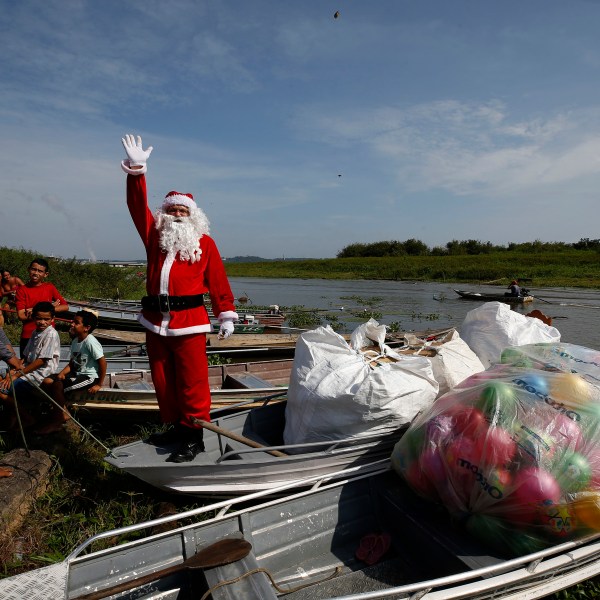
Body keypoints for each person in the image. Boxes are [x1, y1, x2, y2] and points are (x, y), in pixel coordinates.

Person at [120, 133, 238, 462]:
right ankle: (175, 426)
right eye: (171, 209)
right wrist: (137, 170)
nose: (176, 214)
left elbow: (217, 281)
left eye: (182, 210)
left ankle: (194, 435)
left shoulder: (206, 245)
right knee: (163, 379)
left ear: (193, 214)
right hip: (156, 322)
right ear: (163, 213)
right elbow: (134, 205)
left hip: (190, 323)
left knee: (192, 382)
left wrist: (225, 313)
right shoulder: (154, 236)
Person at [38, 309, 107, 434]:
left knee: (57, 386)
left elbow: (103, 362)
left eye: (76, 323)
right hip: (76, 373)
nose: (72, 324)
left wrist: (99, 384)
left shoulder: (90, 341)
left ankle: (57, 421)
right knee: (47, 381)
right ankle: (64, 411)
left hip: (89, 377)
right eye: (73, 321)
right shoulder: (75, 341)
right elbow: (72, 363)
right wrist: (62, 373)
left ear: (86, 327)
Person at [0, 301, 61, 429]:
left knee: (2, 392)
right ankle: (13, 414)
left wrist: (16, 375)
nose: (42, 322)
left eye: (46, 319)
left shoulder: (50, 334)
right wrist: (15, 369)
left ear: (52, 319)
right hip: (26, 370)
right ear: (33, 318)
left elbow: (41, 361)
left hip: (38, 374)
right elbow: (25, 357)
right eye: (39, 319)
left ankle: (26, 418)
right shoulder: (35, 332)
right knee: (2, 378)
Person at [15, 258, 69, 357]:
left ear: (45, 274)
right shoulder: (22, 290)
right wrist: (49, 308)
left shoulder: (49, 287)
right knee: (25, 366)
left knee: (45, 365)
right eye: (33, 269)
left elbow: (65, 306)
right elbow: (21, 315)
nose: (36, 273)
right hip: (28, 336)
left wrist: (36, 311)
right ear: (29, 270)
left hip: (48, 335)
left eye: (40, 271)